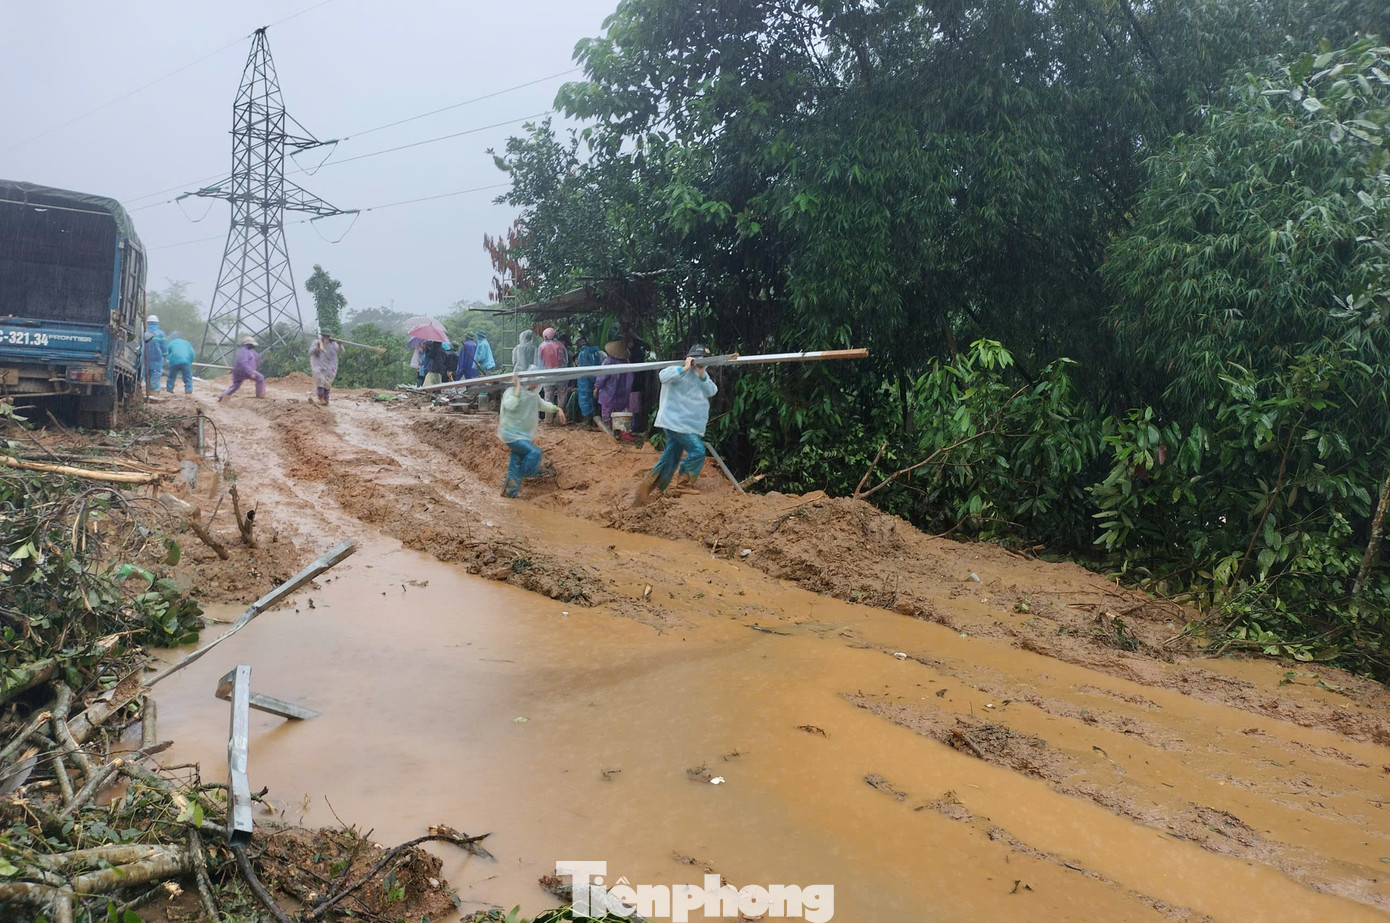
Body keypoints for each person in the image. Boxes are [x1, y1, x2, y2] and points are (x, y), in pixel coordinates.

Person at [635, 344, 718, 504]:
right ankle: (684, 484)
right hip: (675, 423)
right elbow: (663, 377)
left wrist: (702, 374)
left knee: (672, 456)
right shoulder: (677, 370)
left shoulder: (703, 376)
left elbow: (712, 391)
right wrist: (685, 368)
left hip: (688, 425)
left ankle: (650, 486)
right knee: (698, 450)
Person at [497, 371, 566, 498]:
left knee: (515, 463)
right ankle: (529, 473)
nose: (536, 385)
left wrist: (558, 409)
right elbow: (510, 405)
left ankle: (509, 493)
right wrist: (518, 387)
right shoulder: (512, 391)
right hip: (510, 434)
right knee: (535, 453)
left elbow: (543, 405)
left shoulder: (533, 396)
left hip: (522, 435)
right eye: (534, 381)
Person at [595, 340, 633, 427]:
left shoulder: (608, 361)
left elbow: (602, 376)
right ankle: (617, 432)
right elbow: (630, 380)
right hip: (622, 395)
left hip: (608, 394)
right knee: (619, 416)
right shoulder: (627, 362)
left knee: (607, 416)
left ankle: (607, 433)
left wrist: (597, 387)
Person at [219, 336, 266, 402]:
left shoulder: (245, 351)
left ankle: (223, 395)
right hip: (245, 371)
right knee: (260, 378)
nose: (253, 346)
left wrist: (262, 355)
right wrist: (250, 373)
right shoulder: (245, 352)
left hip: (238, 371)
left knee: (236, 386)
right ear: (249, 344)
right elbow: (243, 363)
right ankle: (260, 394)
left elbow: (255, 358)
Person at [538, 326, 569, 422]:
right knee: (562, 396)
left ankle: (548, 419)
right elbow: (566, 360)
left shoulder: (541, 347)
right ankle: (560, 418)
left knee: (548, 397)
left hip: (547, 376)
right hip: (561, 375)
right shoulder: (561, 345)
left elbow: (540, 363)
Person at [574, 335, 604, 424]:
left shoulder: (583, 354)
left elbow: (585, 369)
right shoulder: (595, 352)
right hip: (596, 378)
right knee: (594, 400)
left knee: (585, 400)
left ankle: (587, 420)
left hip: (585, 381)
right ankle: (594, 420)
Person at [309, 332, 345, 404]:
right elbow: (311, 352)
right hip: (318, 366)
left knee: (327, 383)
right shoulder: (316, 342)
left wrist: (340, 345)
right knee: (320, 381)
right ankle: (321, 398)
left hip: (330, 367)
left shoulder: (334, 344)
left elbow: (341, 352)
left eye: (327, 336)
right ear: (322, 336)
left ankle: (326, 399)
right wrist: (317, 347)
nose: (326, 338)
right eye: (324, 336)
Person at [143, 315, 166, 392]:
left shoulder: (144, 332)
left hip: (145, 357)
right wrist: (165, 355)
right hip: (157, 357)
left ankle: (147, 389)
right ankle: (155, 390)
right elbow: (164, 346)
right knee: (156, 373)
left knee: (146, 373)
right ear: (157, 323)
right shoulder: (160, 333)